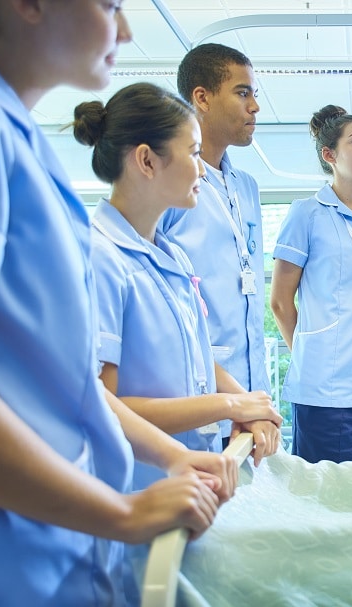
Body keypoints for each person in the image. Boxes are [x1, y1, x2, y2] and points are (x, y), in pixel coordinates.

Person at [0, 3, 234, 605]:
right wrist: (120, 512)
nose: (124, 29)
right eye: (110, 5)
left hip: (63, 544)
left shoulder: (14, 134)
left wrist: (175, 458)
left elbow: (66, 382)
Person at [72, 82, 283, 489]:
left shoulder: (172, 255)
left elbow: (202, 358)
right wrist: (229, 404)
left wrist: (248, 405)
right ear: (147, 161)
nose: (203, 169)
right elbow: (103, 405)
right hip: (138, 487)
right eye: (193, 153)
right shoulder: (100, 258)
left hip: (189, 478)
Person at [270, 105, 352, 464]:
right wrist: (312, 353)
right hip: (324, 388)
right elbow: (281, 303)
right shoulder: (306, 214)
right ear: (329, 155)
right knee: (325, 497)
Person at [160, 44, 269, 448]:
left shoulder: (247, 188)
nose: (255, 106)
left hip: (250, 395)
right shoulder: (169, 184)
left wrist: (255, 400)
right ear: (201, 98)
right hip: (197, 393)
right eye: (243, 93)